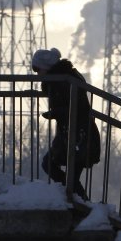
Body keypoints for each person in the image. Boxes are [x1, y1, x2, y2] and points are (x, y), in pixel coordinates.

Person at [31, 48, 101, 198]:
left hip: (79, 135)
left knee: (58, 169)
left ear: (46, 67)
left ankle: (81, 203)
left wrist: (55, 113)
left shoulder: (63, 80)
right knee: (65, 174)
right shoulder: (62, 78)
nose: (36, 73)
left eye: (37, 69)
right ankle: (77, 199)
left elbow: (77, 106)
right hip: (73, 134)